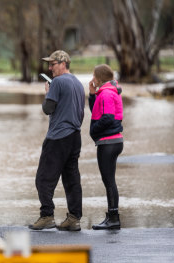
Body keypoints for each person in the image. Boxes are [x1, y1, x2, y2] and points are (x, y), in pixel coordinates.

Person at [29, 50, 85, 231]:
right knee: (71, 179)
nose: (49, 68)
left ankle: (47, 216)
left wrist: (48, 92)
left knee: (43, 178)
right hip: (75, 136)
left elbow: (47, 109)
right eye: (49, 64)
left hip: (58, 137)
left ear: (63, 64)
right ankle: (74, 218)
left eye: (53, 64)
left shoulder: (58, 82)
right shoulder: (77, 82)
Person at [88, 64, 124, 230]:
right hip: (109, 141)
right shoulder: (104, 92)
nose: (92, 79)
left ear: (100, 78)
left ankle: (114, 218)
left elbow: (108, 118)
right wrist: (91, 94)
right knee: (108, 180)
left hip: (109, 142)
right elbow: (97, 111)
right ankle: (111, 215)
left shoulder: (108, 94)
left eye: (94, 76)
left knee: (109, 180)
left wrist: (93, 130)